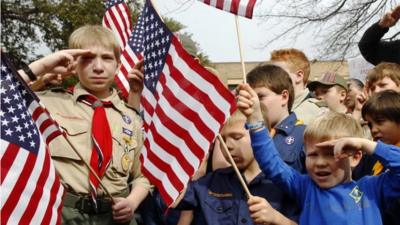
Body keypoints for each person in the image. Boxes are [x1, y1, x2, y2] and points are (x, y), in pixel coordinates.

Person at [19, 25, 151, 225]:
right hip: (63, 214)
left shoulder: (131, 117)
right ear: (73, 63)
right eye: (88, 58)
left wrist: (132, 202)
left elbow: (142, 175)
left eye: (107, 58)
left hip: (115, 217)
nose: (98, 67)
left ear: (118, 65)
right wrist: (41, 69)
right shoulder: (48, 103)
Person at [236, 83, 400, 225]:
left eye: (330, 153)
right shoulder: (305, 188)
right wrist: (256, 121)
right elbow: (271, 163)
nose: (320, 162)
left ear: (355, 157)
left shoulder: (371, 189)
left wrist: (364, 144)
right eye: (313, 155)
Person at [174, 110, 299, 225]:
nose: (228, 145)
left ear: (261, 135)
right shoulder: (211, 182)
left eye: (236, 137)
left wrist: (277, 219)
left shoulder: (286, 183)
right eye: (222, 139)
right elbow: (173, 197)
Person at [247, 64, 306, 172]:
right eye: (250, 98)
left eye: (260, 97)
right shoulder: (246, 134)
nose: (254, 103)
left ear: (284, 97)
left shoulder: (305, 136)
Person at [361, 90, 400, 225]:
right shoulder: (374, 159)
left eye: (380, 122)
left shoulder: (384, 153)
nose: (374, 130)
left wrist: (362, 143)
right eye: (370, 124)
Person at [270, 48, 326, 125]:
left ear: (299, 76)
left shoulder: (319, 113)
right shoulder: (275, 109)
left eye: (278, 73)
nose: (271, 79)